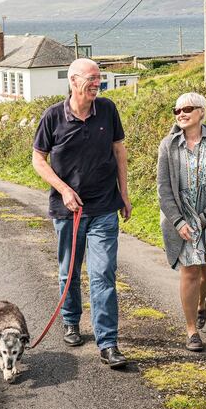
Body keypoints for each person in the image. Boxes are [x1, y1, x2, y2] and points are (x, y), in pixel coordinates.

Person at [32, 58, 132, 368]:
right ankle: (71, 320)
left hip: (104, 206)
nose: (97, 84)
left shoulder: (108, 110)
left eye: (99, 79)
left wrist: (124, 195)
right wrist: (63, 189)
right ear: (74, 82)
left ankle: (108, 342)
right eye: (91, 79)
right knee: (69, 271)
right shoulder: (52, 117)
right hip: (68, 210)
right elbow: (38, 159)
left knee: (103, 274)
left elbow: (119, 152)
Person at [156, 92, 206, 352]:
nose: (181, 114)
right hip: (181, 216)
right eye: (177, 110)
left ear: (201, 111)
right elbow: (163, 188)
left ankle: (200, 302)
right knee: (190, 271)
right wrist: (178, 222)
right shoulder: (167, 145)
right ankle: (191, 331)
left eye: (187, 108)